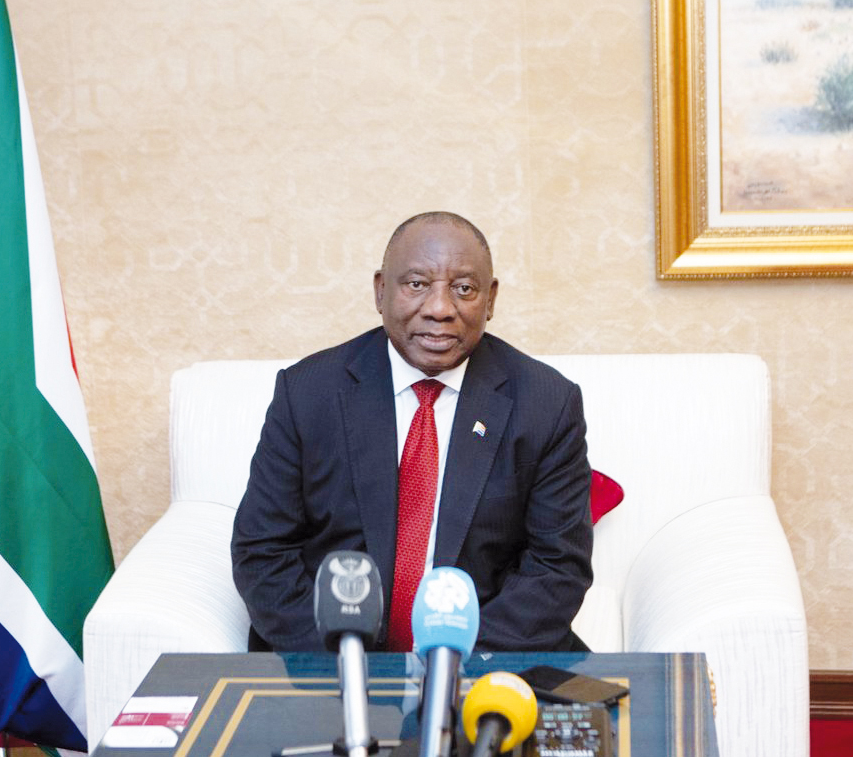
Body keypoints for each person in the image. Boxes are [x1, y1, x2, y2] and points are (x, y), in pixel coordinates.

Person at [231, 211, 593, 652]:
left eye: (464, 289)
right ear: (381, 290)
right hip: (329, 655)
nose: (440, 309)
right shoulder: (308, 393)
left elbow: (556, 568)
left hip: (487, 655)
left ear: (491, 299)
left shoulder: (546, 404)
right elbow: (263, 552)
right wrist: (346, 664)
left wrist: (458, 667)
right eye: (417, 284)